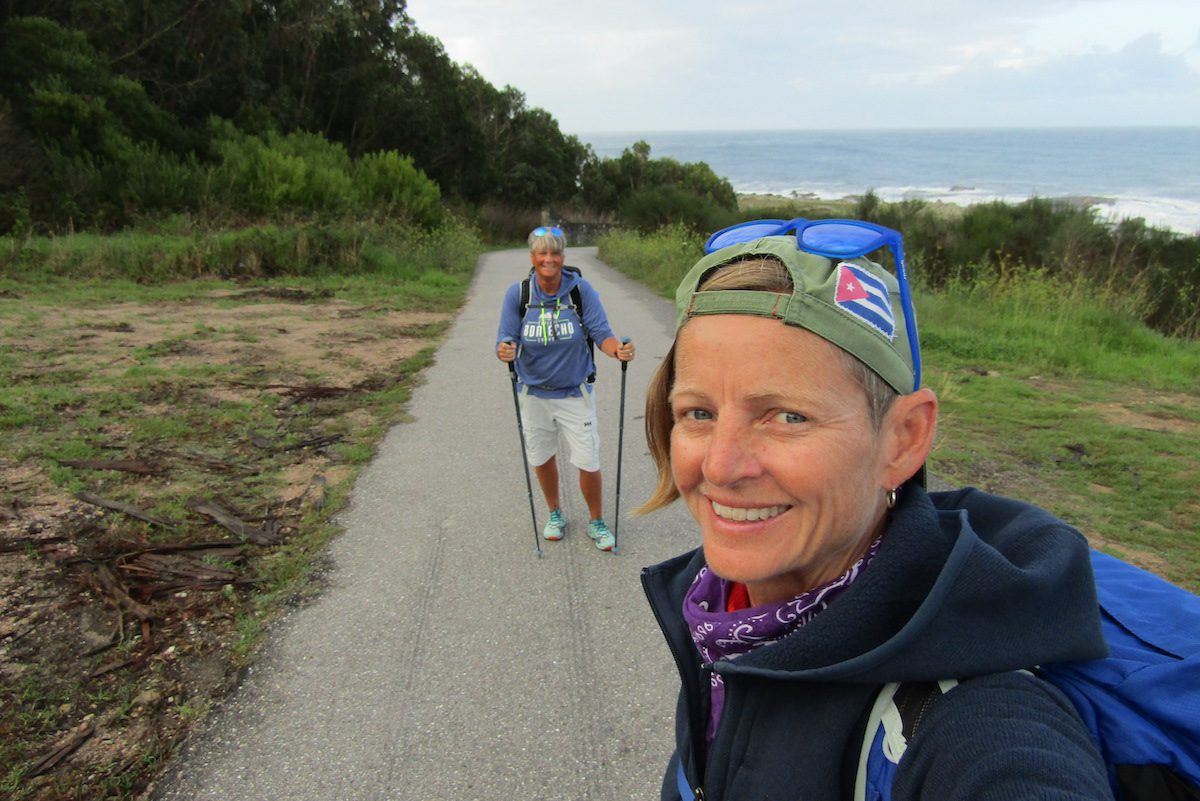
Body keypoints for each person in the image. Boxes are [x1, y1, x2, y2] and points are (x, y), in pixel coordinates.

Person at [636, 219, 1113, 800]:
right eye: (698, 413)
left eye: (787, 416)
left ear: (903, 441)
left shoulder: (973, 722)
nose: (719, 466)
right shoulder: (720, 616)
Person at [496, 226, 635, 551]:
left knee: (588, 460)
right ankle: (555, 513)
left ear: (563, 256)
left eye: (555, 252)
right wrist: (504, 349)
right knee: (542, 456)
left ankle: (596, 521)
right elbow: (506, 337)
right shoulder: (519, 295)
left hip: (575, 393)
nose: (549, 259)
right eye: (542, 252)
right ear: (532, 257)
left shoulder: (580, 291)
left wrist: (617, 350)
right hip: (533, 394)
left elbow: (601, 333)